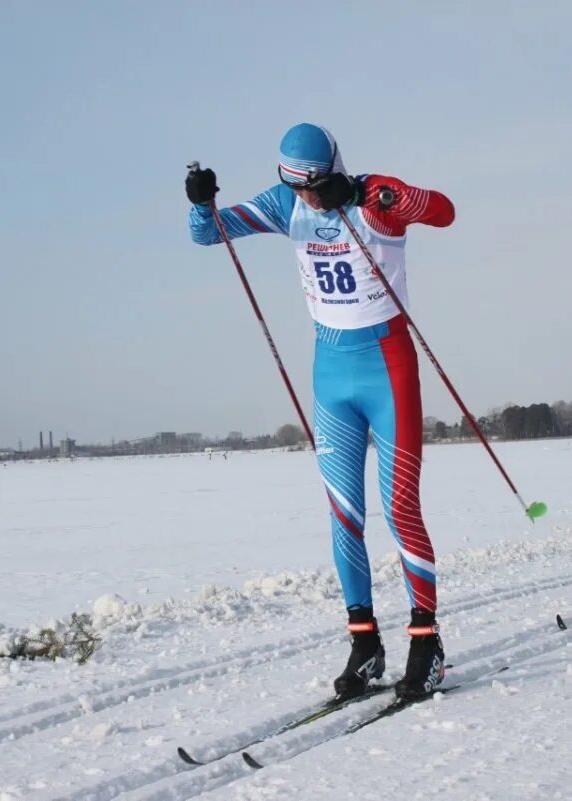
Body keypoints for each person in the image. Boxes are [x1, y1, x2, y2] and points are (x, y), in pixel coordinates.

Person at [185, 123, 455, 699]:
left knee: (401, 506)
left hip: (388, 367)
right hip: (330, 373)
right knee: (344, 515)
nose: (305, 196)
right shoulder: (287, 204)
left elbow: (442, 210)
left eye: (314, 185)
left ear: (334, 170)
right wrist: (199, 201)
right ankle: (364, 644)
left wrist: (374, 197)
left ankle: (426, 643)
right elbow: (210, 234)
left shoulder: (373, 198)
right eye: (294, 185)